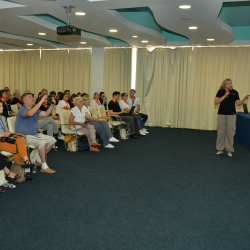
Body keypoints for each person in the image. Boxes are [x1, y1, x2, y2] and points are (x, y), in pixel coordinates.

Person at [16, 93, 57, 173]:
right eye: (29, 97)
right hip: (24, 136)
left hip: (34, 135)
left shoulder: (35, 110)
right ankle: (44, 166)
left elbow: (45, 114)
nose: (32, 98)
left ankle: (36, 159)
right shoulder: (22, 110)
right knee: (42, 142)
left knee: (52, 140)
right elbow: (30, 113)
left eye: (32, 97)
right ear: (24, 101)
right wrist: (41, 101)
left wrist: (52, 105)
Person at [214, 78, 249, 157]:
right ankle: (220, 149)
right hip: (221, 114)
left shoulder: (235, 92)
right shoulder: (221, 92)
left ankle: (229, 150)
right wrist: (224, 95)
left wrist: (243, 99)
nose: (230, 84)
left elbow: (238, 104)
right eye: (228, 83)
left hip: (231, 114)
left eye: (230, 83)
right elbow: (216, 102)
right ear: (224, 85)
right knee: (221, 132)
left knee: (230, 132)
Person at [0, 101, 35, 168]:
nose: (2, 107)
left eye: (2, 106)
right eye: (0, 106)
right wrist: (3, 135)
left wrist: (10, 133)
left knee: (20, 140)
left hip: (6, 138)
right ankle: (22, 168)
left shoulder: (3, 118)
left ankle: (25, 162)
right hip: (1, 141)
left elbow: (7, 130)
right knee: (19, 149)